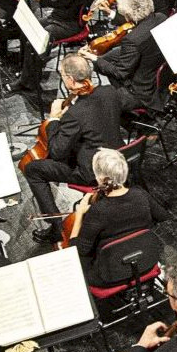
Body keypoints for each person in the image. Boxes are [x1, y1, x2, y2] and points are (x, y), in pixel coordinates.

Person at [23, 55, 125, 239]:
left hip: (94, 173)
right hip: (118, 159)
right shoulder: (110, 91)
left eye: (62, 75)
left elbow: (56, 152)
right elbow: (95, 116)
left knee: (33, 170)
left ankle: (56, 227)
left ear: (70, 80)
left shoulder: (75, 114)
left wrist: (54, 119)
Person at [58, 147, 158, 262]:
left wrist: (80, 213)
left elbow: (78, 250)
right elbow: (161, 216)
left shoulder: (98, 211)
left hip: (111, 267)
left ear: (101, 178)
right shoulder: (141, 194)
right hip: (145, 256)